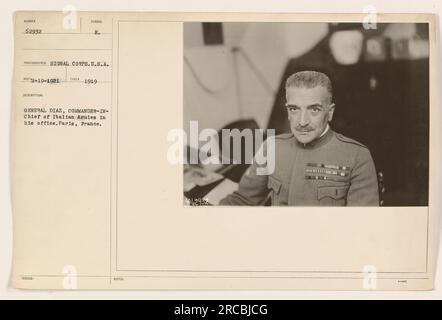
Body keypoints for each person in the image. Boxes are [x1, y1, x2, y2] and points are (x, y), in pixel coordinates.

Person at [219, 70, 379, 206]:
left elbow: (362, 227)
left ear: (330, 112)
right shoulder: (272, 148)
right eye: (294, 109)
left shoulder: (357, 157)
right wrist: (198, 208)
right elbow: (242, 200)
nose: (302, 122)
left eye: (314, 110)